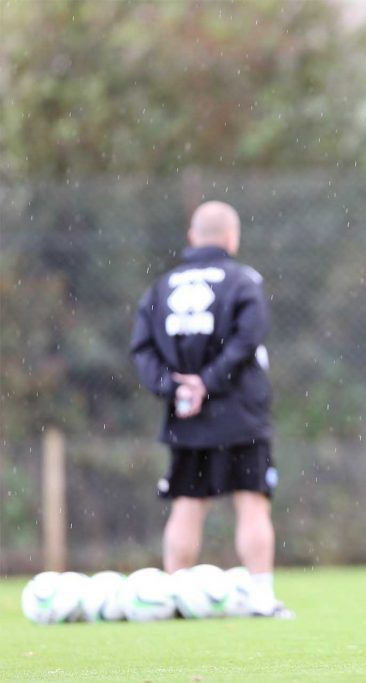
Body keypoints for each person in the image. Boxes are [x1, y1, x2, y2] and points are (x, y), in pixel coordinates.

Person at [130, 200, 291, 618]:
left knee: (187, 501)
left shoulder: (161, 287)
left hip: (187, 416)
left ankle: (171, 598)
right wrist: (211, 381)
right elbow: (249, 337)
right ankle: (261, 598)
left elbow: (142, 350)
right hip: (240, 413)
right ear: (231, 238)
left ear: (192, 237)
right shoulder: (242, 281)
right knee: (252, 501)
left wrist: (174, 386)